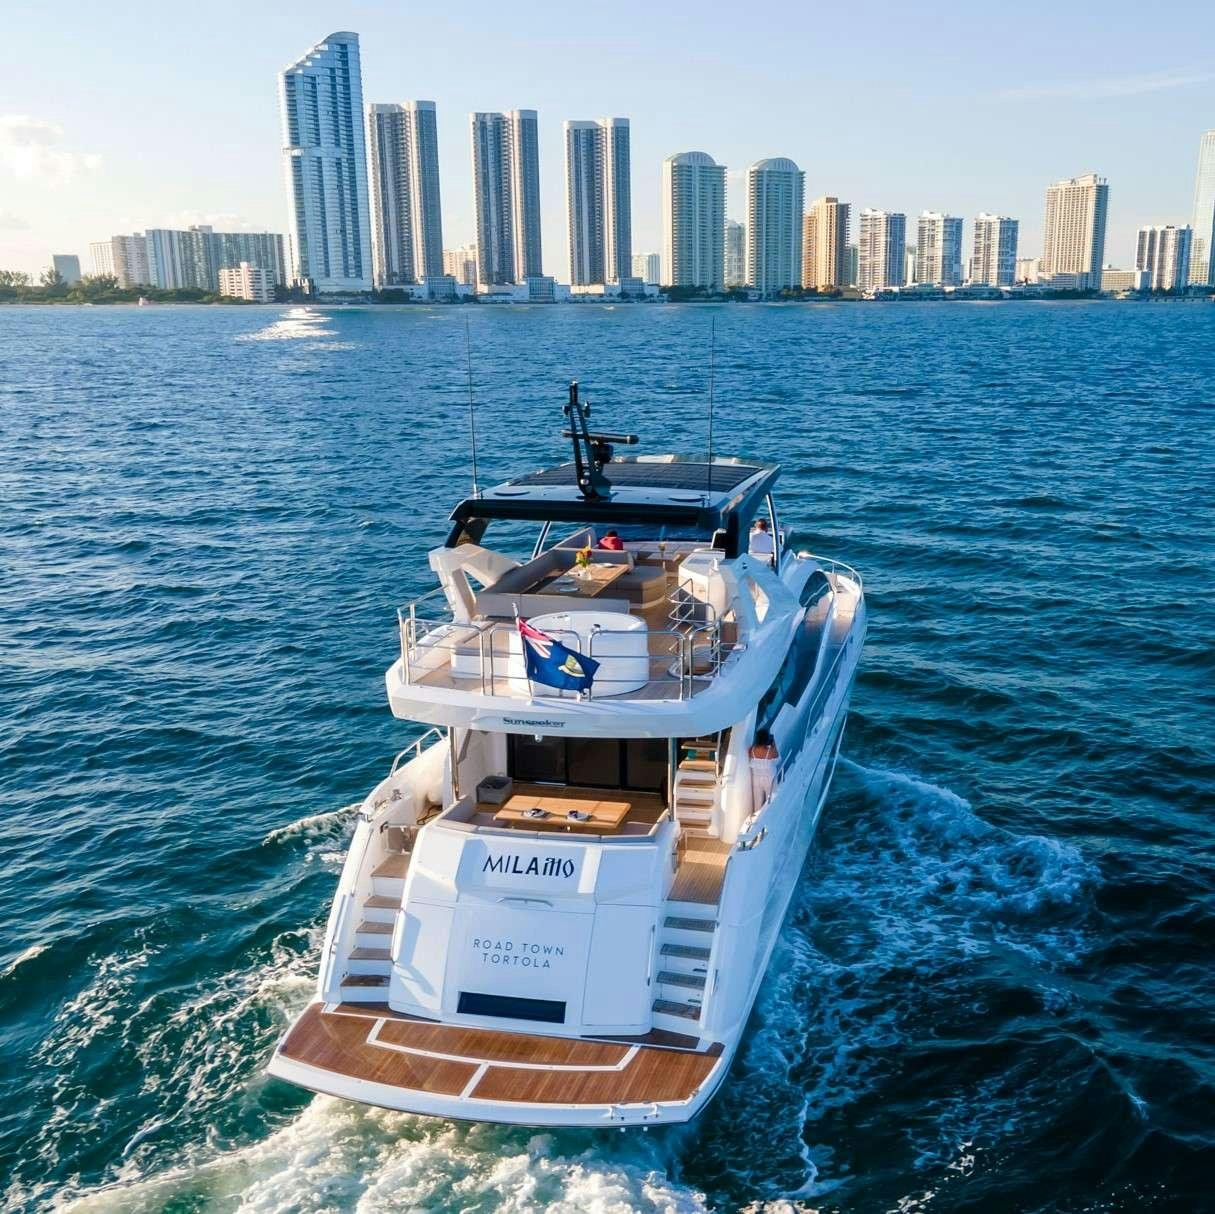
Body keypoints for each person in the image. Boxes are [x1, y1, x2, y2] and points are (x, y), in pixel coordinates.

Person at [748, 729, 779, 808]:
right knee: (771, 801)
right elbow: (777, 758)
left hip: (756, 779)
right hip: (769, 778)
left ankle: (756, 817)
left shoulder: (752, 750)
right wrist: (773, 744)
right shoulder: (770, 750)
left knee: (757, 802)